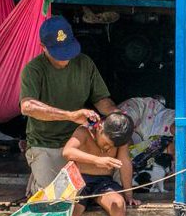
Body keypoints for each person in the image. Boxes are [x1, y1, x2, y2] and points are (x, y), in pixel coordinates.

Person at [20, 16, 118, 194]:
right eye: (59, 52)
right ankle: (38, 173)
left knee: (90, 189)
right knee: (55, 196)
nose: (65, 57)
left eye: (68, 49)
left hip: (78, 142)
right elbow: (27, 107)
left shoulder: (85, 63)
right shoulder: (33, 69)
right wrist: (70, 116)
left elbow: (101, 100)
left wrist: (117, 116)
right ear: (43, 47)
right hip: (46, 143)